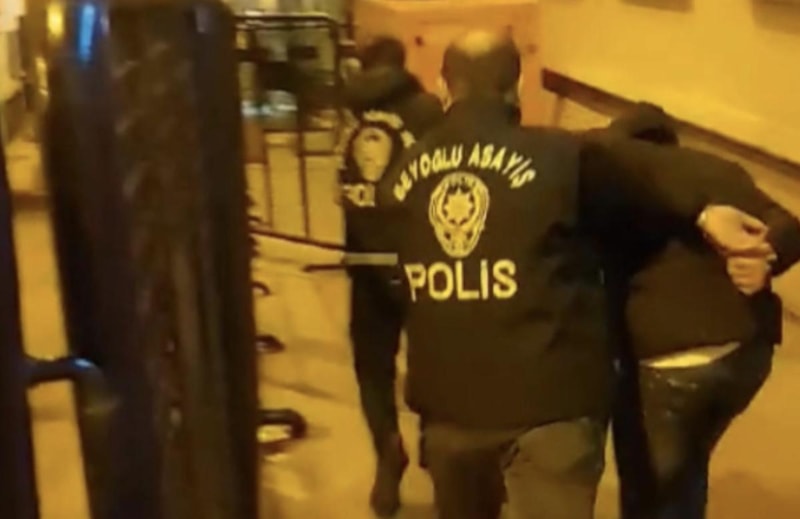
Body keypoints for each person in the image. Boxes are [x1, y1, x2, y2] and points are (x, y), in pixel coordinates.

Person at [375, 30, 772, 519]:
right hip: (551, 408)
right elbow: (643, 179)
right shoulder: (561, 158)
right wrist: (704, 214)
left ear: (442, 87)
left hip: (448, 411)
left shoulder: (398, 176)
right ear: (517, 88)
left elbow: (387, 290)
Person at [596, 103, 800, 519]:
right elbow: (789, 225)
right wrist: (767, 258)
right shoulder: (714, 170)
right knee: (687, 467)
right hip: (744, 355)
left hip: (669, 365)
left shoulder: (616, 185)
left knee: (651, 493)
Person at [337, 35, 442, 517]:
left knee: (372, 366)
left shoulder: (348, 111)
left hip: (365, 258)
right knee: (434, 359)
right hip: (419, 257)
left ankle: (387, 451)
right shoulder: (427, 112)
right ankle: (435, 450)